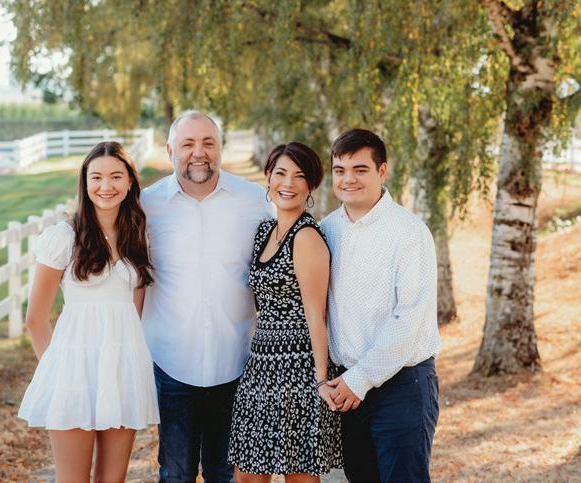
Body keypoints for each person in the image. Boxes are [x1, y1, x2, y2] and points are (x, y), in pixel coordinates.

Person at [141, 111, 274, 482]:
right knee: (175, 474)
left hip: (236, 362)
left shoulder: (254, 201)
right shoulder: (146, 206)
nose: (198, 152)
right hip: (171, 364)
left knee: (224, 474)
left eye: (208, 143)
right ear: (170, 151)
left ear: (220, 149)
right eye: (188, 143)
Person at [18, 141, 159, 482]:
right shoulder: (64, 237)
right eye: (96, 177)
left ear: (130, 182)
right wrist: (58, 374)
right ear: (85, 183)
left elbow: (135, 310)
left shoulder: (137, 236)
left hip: (122, 370)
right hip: (74, 374)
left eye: (116, 176)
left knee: (113, 479)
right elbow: (35, 319)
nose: (105, 186)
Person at [320, 129, 441, 483]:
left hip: (403, 385)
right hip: (347, 386)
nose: (348, 179)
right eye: (340, 170)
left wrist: (360, 379)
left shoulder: (409, 232)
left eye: (360, 169)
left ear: (382, 171)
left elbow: (410, 317)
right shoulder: (327, 230)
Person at [228, 142, 343, 482]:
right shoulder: (264, 231)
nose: (288, 183)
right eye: (280, 173)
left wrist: (320, 380)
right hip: (261, 365)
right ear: (268, 177)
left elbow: (316, 316)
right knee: (247, 474)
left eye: (299, 176)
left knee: (299, 476)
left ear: (311, 185)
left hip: (299, 369)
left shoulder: (306, 237)